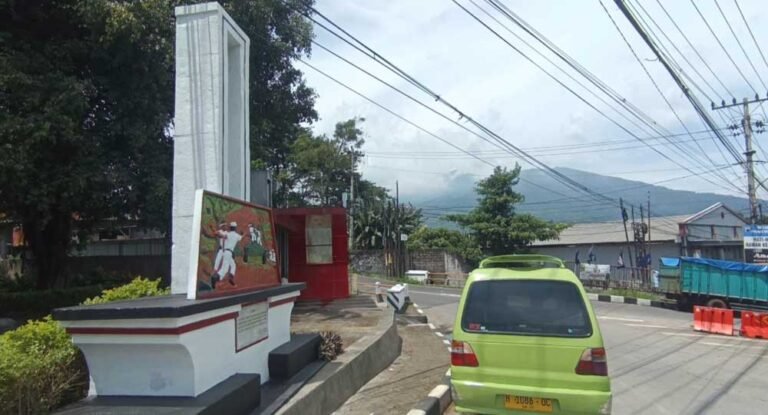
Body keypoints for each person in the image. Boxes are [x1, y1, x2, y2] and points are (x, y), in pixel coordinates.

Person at [212, 222, 243, 288]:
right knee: (224, 268)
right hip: (226, 252)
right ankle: (216, 277)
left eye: (226, 225)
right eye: (224, 225)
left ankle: (231, 277)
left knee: (233, 265)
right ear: (235, 228)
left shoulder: (227, 234)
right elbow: (241, 237)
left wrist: (217, 233)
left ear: (230, 227)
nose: (225, 226)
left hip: (226, 252)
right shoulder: (233, 234)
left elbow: (220, 235)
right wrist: (244, 233)